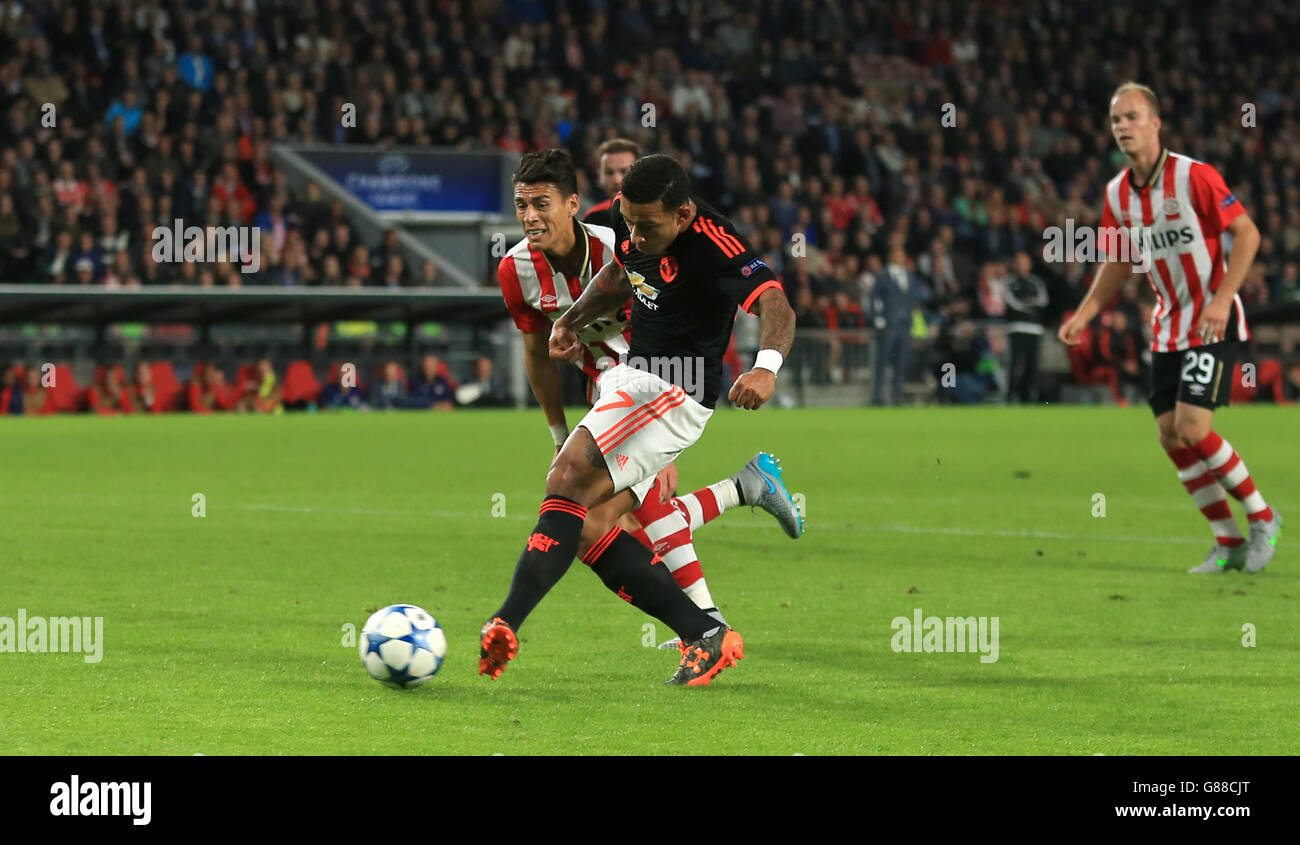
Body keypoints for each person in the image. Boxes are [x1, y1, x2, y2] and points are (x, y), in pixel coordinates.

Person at [482, 154, 797, 686]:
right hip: (636, 378)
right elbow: (619, 273)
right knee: (589, 528)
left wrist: (767, 369)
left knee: (564, 480)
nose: (635, 234)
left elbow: (775, 304)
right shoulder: (635, 226)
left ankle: (506, 621)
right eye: (628, 221)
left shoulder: (713, 244)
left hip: (674, 386)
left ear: (682, 215)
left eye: (647, 225)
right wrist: (572, 318)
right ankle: (706, 635)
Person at [1058, 82, 1281, 574]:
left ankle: (1263, 516)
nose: (1122, 127)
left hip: (1211, 320)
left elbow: (1248, 234)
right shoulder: (1117, 193)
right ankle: (1227, 541)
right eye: (1116, 120)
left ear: (1156, 123)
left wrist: (1223, 299)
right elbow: (1117, 262)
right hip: (1167, 326)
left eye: (1132, 117)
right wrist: (1086, 312)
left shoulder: (1194, 177)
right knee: (1169, 436)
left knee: (1192, 427)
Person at [1003, 251, 1050, 403]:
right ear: (1014, 265)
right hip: (1016, 328)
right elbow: (1012, 303)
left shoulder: (1037, 283)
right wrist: (1030, 304)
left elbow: (1043, 302)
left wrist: (1025, 303)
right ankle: (1010, 397)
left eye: (1025, 262)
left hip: (1034, 329)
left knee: (1032, 365)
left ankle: (1026, 398)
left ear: (1030, 264)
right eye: (1019, 262)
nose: (1022, 266)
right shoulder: (1009, 283)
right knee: (1015, 364)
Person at [581, 138, 639, 230]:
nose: (617, 180)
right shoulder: (592, 219)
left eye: (624, 171)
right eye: (609, 172)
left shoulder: (657, 215)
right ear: (599, 175)